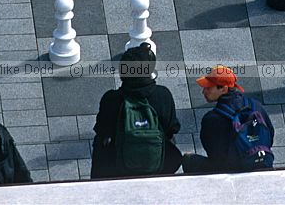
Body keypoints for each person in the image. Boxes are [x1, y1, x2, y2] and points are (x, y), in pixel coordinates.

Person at [90, 42, 183, 178]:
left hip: (116, 166)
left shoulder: (111, 99)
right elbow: (173, 128)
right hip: (159, 165)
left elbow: (101, 130)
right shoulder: (163, 95)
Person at [182, 65, 275, 174]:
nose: (203, 92)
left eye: (208, 88)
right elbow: (270, 134)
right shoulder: (256, 106)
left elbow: (215, 156)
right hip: (261, 161)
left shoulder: (212, 119)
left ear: (223, 88)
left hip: (231, 170)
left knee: (188, 160)